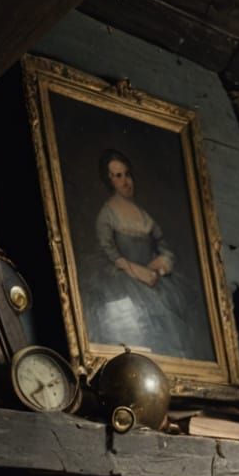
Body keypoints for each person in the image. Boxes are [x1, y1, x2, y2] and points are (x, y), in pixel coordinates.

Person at [88, 148, 210, 361]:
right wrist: (137, 271)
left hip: (155, 278)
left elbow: (162, 245)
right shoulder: (107, 214)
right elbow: (109, 252)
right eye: (118, 176)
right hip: (127, 278)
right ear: (109, 180)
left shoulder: (144, 214)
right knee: (149, 314)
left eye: (127, 174)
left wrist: (163, 262)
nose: (126, 181)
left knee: (180, 312)